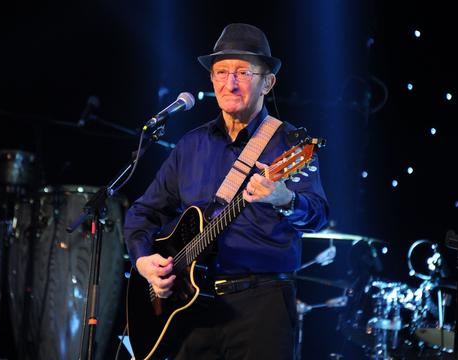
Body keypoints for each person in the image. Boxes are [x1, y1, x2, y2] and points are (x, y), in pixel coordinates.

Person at [124, 23, 329, 359]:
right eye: (221, 72)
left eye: (243, 72)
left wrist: (286, 200)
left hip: (261, 305)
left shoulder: (290, 145)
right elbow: (142, 213)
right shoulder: (191, 145)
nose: (229, 83)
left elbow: (319, 215)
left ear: (268, 82)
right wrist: (144, 260)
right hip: (187, 310)